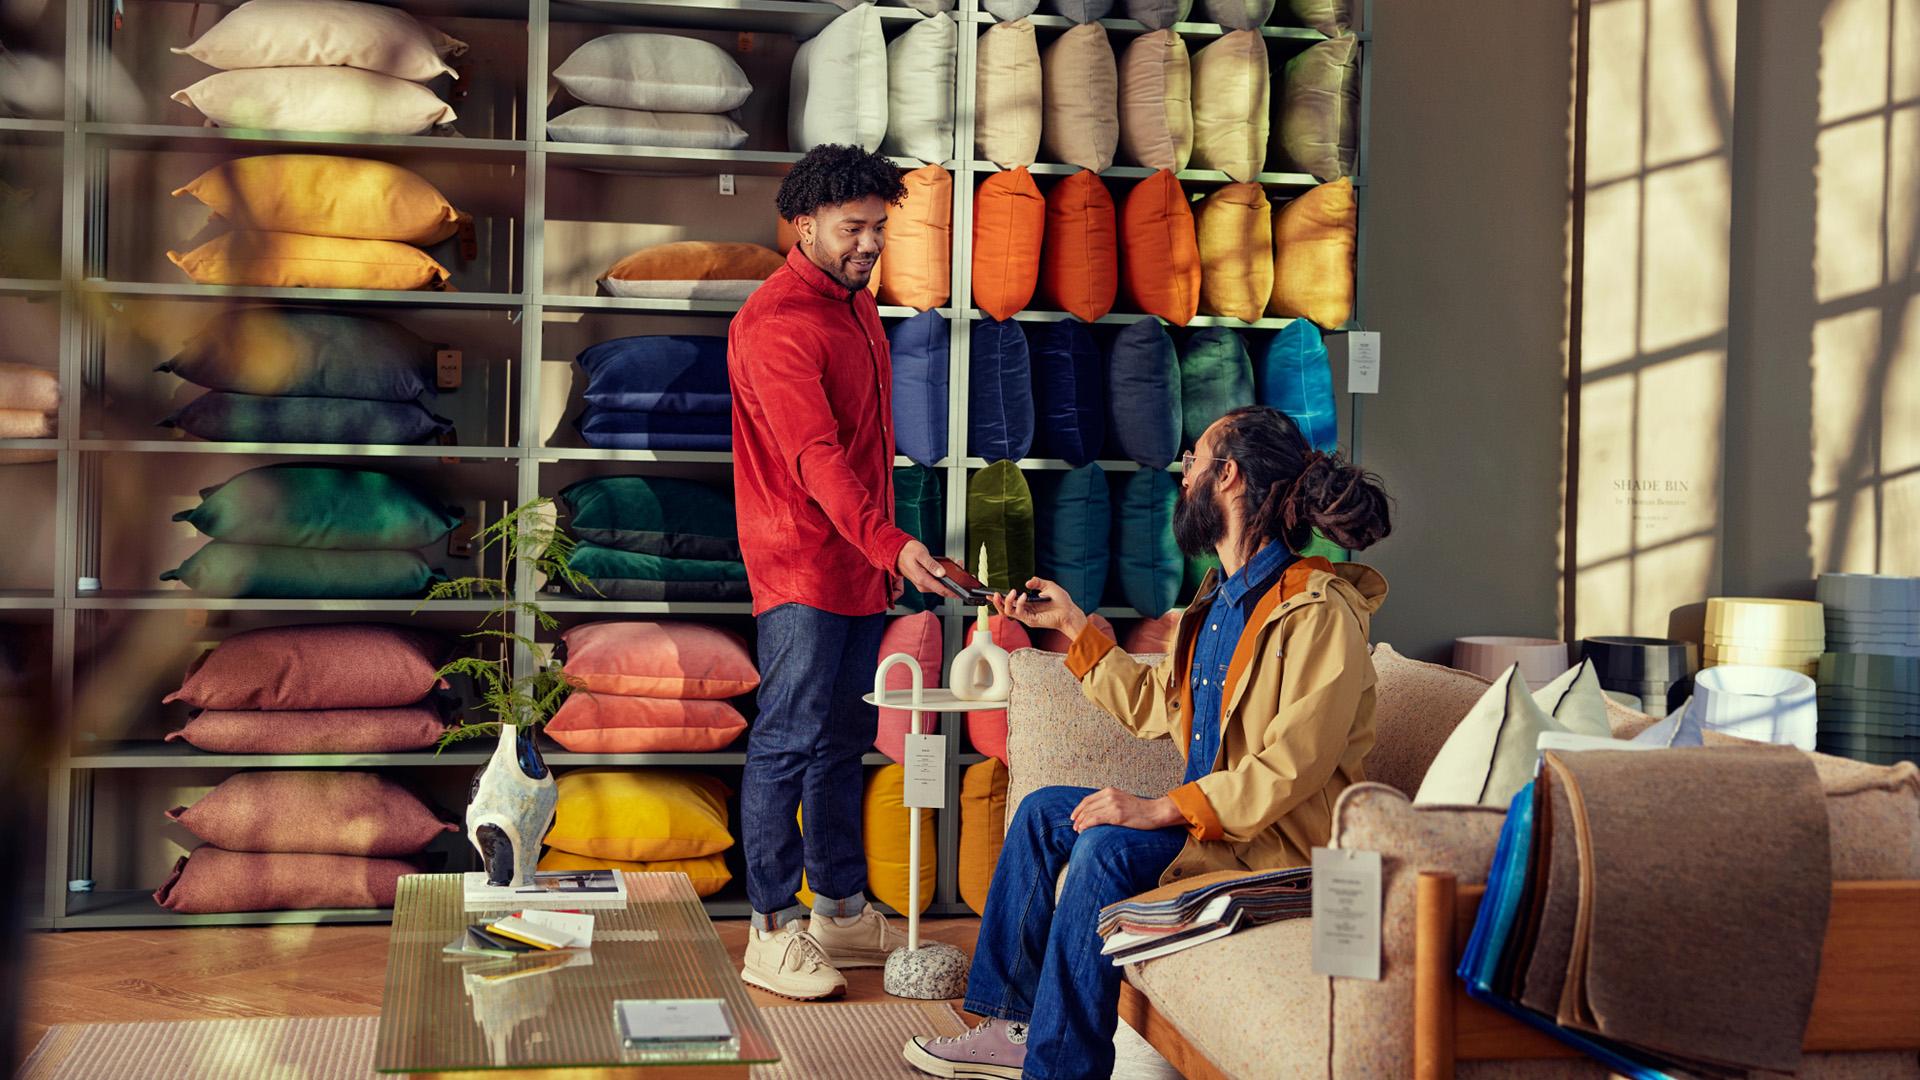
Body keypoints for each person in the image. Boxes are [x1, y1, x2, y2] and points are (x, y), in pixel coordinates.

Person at [904, 406, 1394, 1079]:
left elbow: (1289, 768)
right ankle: (1012, 1027)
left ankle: (1062, 1069)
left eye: (1192, 460)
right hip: (1218, 831)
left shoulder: (1319, 614)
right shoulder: (1216, 603)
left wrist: (1156, 807)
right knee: (1047, 811)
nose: (1181, 472)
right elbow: (1151, 707)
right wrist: (1075, 626)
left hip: (1280, 851)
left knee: (1104, 846)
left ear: (1227, 478)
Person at [729, 144, 950, 1000]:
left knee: (842, 743)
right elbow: (817, 459)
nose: (868, 244)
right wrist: (894, 546)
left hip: (859, 562)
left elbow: (865, 453)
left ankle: (839, 908)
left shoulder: (855, 305)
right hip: (799, 565)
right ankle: (771, 928)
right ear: (806, 224)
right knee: (786, 741)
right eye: (852, 228)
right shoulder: (777, 323)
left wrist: (892, 549)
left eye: (879, 229)